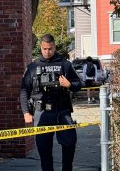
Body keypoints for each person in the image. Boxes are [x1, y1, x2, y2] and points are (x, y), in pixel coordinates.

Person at [20, 34, 82, 171]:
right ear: (40, 47)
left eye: (50, 49)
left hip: (62, 110)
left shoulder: (65, 64)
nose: (47, 51)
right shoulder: (33, 67)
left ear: (54, 47)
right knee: (44, 149)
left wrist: (69, 85)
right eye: (45, 49)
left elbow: (79, 84)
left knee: (69, 144)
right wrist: (26, 112)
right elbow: (24, 91)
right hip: (42, 112)